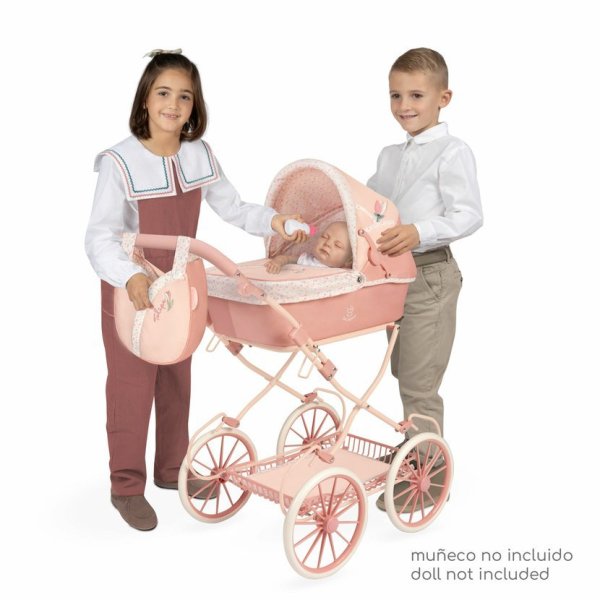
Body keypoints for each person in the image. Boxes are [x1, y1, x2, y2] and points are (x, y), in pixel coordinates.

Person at [85, 49, 306, 531]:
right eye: (163, 93)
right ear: (145, 98)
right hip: (133, 289)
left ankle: (172, 469)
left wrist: (274, 221)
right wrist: (129, 276)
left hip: (181, 286)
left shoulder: (199, 154)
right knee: (131, 386)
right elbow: (99, 236)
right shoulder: (120, 162)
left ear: (194, 105)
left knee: (176, 378)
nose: (173, 104)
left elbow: (234, 207)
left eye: (184, 96)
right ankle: (126, 486)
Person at [366, 48, 483, 511]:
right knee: (403, 369)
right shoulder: (390, 156)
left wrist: (419, 231)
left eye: (416, 95)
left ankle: (430, 480)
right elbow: (372, 205)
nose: (404, 105)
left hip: (430, 274)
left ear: (443, 98)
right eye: (395, 95)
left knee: (420, 380)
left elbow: (468, 214)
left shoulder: (452, 152)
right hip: (392, 278)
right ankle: (414, 447)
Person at [265, 221, 352, 273]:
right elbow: (286, 258)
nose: (327, 243)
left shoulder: (345, 275)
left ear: (348, 261)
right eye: (324, 237)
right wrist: (277, 263)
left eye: (337, 245)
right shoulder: (306, 259)